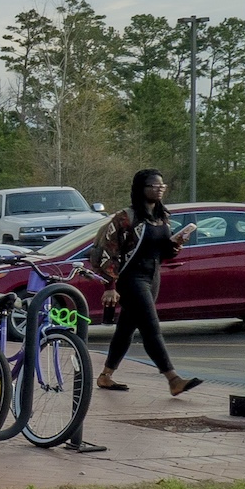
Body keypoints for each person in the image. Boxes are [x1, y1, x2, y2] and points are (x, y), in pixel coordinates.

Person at [87, 168, 201, 396]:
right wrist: (110, 285)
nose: (159, 190)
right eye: (154, 186)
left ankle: (106, 376)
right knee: (151, 327)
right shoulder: (125, 218)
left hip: (152, 276)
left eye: (162, 186)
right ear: (141, 189)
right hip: (131, 279)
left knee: (126, 328)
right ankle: (173, 379)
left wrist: (176, 243)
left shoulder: (162, 217)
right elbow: (109, 251)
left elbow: (163, 253)